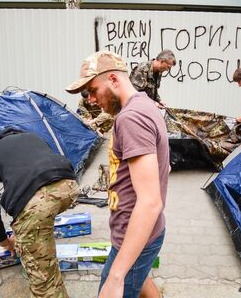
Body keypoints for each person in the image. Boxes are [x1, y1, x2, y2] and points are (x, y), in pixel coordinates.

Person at [66, 51, 169, 298]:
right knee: (141, 280)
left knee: (115, 285)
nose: (90, 99)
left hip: (133, 237)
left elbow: (150, 202)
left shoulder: (131, 118)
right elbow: (164, 166)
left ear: (113, 79)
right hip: (143, 232)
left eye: (92, 90)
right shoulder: (144, 104)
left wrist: (116, 275)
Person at [0, 127, 79, 298]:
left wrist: (4, 241)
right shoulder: (33, 137)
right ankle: (41, 240)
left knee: (43, 280)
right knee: (39, 227)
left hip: (37, 200)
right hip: (69, 186)